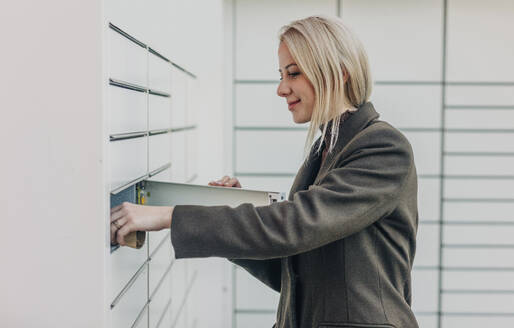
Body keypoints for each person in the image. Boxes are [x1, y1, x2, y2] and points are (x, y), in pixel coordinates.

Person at [110, 15, 419, 328]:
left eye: (294, 73)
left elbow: (294, 224)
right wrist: (225, 209)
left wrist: (169, 216)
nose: (281, 88)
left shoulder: (382, 147)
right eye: (282, 74)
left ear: (339, 74)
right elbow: (292, 271)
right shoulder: (323, 151)